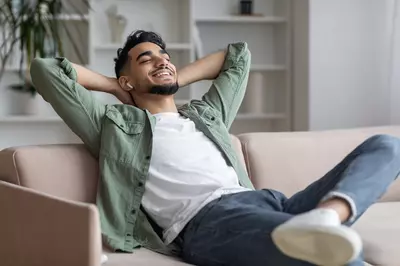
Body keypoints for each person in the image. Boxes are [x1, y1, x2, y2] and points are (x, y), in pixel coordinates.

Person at [30, 30, 400, 266]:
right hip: (208, 222)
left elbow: (238, 57)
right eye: (146, 58)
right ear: (127, 77)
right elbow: (46, 70)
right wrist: (116, 86)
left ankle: (329, 216)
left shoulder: (206, 114)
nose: (162, 59)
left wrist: (168, 75)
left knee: (387, 146)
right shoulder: (114, 125)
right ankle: (323, 232)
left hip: (270, 202)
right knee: (334, 257)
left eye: (165, 55)